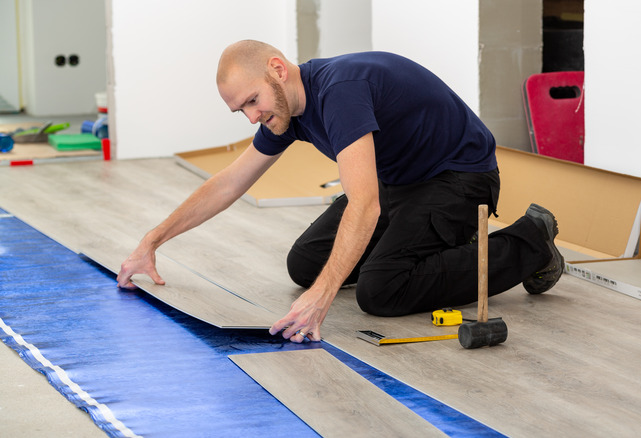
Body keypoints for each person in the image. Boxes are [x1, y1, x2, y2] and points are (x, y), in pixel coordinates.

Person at [117, 40, 563, 343]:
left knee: (381, 292)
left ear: (278, 69)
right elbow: (229, 182)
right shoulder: (286, 112)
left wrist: (323, 296)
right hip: (402, 182)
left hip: (460, 178)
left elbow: (365, 203)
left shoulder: (340, 92)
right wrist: (151, 241)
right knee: (305, 263)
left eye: (253, 101)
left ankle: (531, 242)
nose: (252, 117)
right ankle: (431, 246)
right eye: (241, 110)